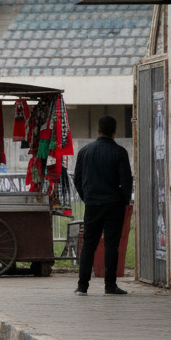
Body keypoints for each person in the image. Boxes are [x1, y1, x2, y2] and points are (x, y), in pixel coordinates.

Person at [74, 115, 134, 295]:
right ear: (114, 131)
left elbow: (77, 179)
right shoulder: (120, 152)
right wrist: (123, 201)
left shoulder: (84, 152)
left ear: (98, 130)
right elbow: (126, 182)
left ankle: (82, 286)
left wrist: (87, 197)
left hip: (92, 204)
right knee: (111, 245)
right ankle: (110, 285)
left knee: (89, 245)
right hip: (113, 205)